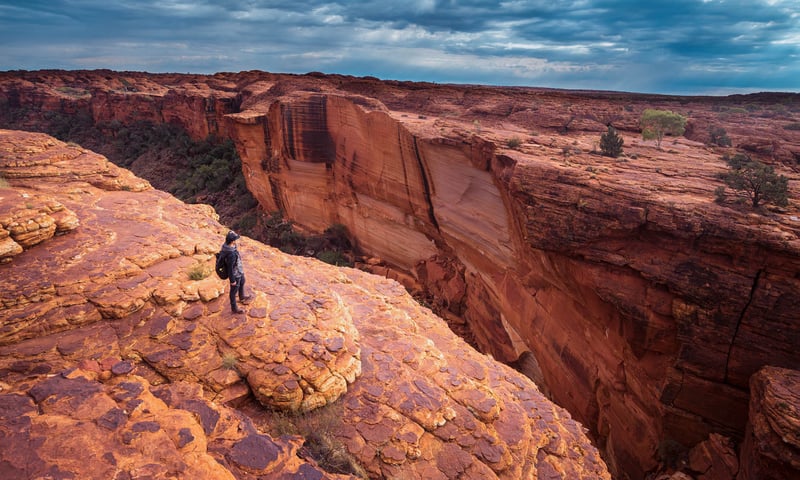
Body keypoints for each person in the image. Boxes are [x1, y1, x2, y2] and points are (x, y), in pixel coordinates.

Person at [219, 231, 252, 313]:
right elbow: (230, 268)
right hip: (235, 274)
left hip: (239, 270)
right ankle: (234, 308)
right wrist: (232, 280)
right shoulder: (231, 254)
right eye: (235, 239)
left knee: (242, 281)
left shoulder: (228, 246)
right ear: (232, 241)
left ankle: (242, 297)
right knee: (233, 291)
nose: (236, 240)